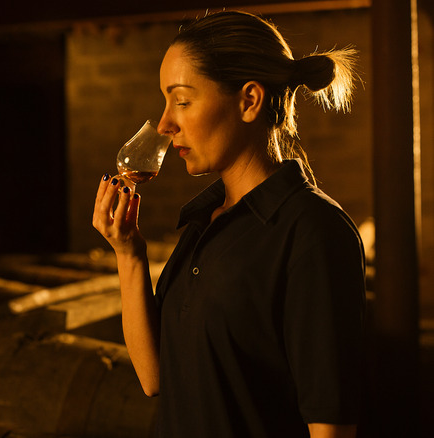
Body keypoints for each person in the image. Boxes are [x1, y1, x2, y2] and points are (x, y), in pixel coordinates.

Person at [92, 10, 365, 438]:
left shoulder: (312, 231)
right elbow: (155, 378)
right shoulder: (203, 221)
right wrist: (129, 254)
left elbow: (330, 425)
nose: (164, 124)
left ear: (249, 101)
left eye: (181, 100)